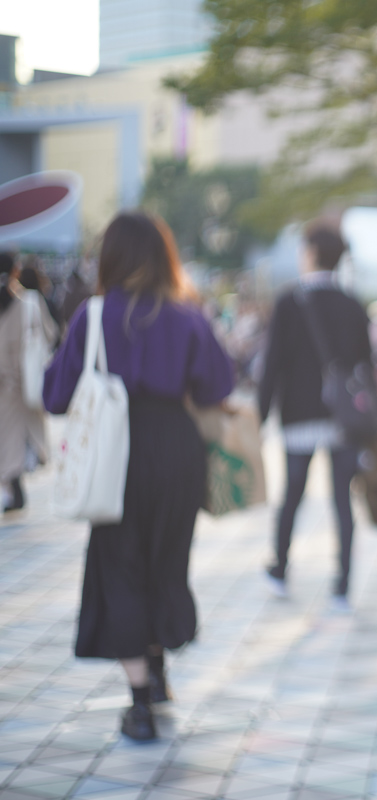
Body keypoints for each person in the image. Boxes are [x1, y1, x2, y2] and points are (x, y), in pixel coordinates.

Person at [41, 212, 234, 742]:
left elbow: (55, 395)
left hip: (115, 453)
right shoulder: (188, 315)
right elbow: (220, 383)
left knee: (119, 565)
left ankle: (139, 702)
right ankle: (160, 669)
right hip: (176, 448)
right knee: (166, 559)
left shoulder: (94, 315)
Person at [257, 221, 372, 609]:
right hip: (343, 419)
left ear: (310, 253)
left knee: (292, 495)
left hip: (298, 414)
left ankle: (280, 569)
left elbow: (272, 364)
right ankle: (342, 584)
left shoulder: (289, 302)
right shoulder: (352, 303)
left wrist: (259, 416)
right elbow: (366, 366)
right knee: (343, 501)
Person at [1, 252, 58, 512]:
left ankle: (12, 488)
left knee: (8, 437)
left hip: (4, 383)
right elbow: (51, 333)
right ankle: (15, 487)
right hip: (20, 381)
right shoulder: (28, 301)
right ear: (14, 270)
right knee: (17, 436)